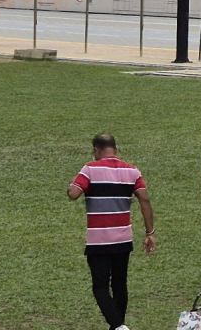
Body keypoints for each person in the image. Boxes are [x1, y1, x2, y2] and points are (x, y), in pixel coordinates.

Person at [67, 132, 155, 330]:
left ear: (96, 150)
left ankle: (118, 327)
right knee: (119, 284)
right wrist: (150, 233)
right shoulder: (132, 171)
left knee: (100, 287)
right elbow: (145, 200)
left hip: (98, 241)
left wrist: (72, 185)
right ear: (115, 148)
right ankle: (118, 326)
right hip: (123, 239)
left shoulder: (90, 169)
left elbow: (73, 194)